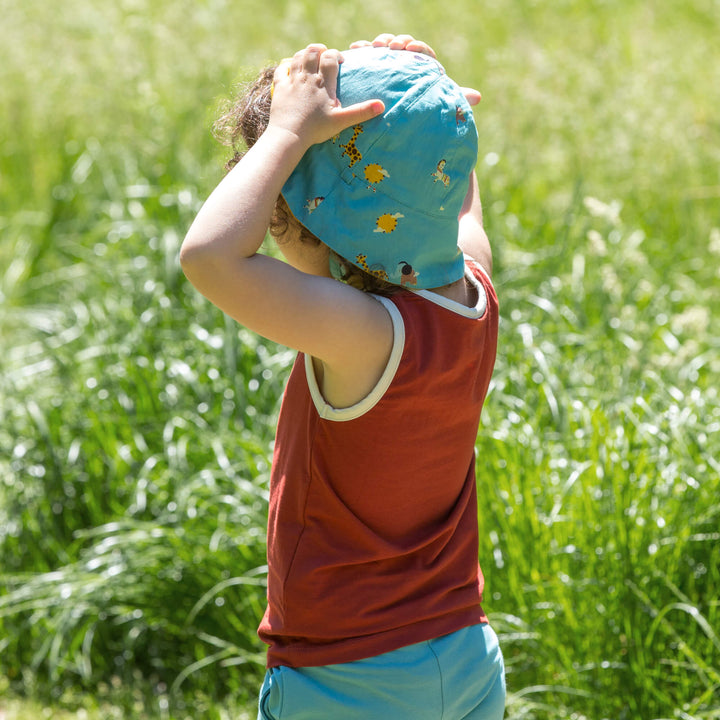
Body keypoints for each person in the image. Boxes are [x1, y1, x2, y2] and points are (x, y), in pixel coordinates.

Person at [181, 32, 505, 720]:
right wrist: (424, 93)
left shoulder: (368, 336)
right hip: (464, 654)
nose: (271, 229)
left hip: (350, 678)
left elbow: (209, 257)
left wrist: (289, 134)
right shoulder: (472, 291)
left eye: (281, 213)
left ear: (317, 219)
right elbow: (451, 198)